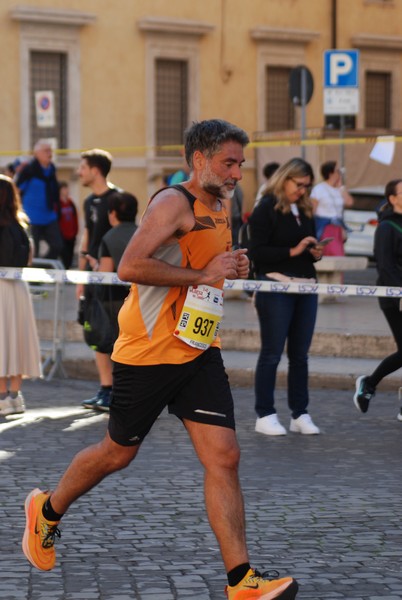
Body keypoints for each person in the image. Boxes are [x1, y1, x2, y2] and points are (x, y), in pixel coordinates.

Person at [22, 119, 299, 600]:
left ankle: (242, 582)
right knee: (117, 453)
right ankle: (47, 509)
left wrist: (231, 265)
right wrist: (202, 272)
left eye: (240, 163)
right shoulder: (174, 202)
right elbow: (131, 266)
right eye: (228, 162)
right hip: (148, 352)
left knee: (225, 458)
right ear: (198, 160)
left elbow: (207, 265)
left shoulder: (222, 203)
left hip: (198, 348)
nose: (237, 172)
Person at [248, 158, 322, 436]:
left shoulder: (304, 209)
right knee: (271, 353)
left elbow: (307, 244)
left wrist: (314, 251)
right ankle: (264, 413)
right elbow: (257, 251)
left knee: (300, 355)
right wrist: (293, 251)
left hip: (306, 286)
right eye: (299, 184)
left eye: (307, 186)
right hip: (276, 286)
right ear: (285, 178)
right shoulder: (265, 207)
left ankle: (300, 413)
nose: (302, 190)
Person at [76, 148, 122, 411]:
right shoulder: (88, 201)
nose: (79, 172)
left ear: (95, 170)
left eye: (83, 167)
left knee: (115, 335)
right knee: (97, 332)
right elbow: (87, 238)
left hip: (114, 282)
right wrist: (81, 276)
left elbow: (123, 239)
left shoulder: (117, 199)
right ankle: (105, 389)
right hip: (92, 279)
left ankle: (120, 390)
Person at [83, 190, 138, 412]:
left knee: (111, 346)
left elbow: (105, 272)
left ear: (112, 213)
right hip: (137, 298)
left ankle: (112, 393)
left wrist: (94, 265)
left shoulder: (109, 237)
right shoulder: (142, 233)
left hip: (112, 301)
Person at [354, 178, 402, 420]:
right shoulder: (387, 227)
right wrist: (399, 295)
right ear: (392, 199)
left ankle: (370, 385)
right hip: (394, 296)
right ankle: (369, 384)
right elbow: (385, 266)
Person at [0, 175, 42, 416]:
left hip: (1, 287)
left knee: (2, 342)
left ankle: (2, 397)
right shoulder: (22, 226)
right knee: (15, 341)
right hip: (19, 287)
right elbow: (29, 259)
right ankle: (15, 396)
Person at [15, 140, 63, 260]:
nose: (50, 153)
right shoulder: (28, 170)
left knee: (58, 246)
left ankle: (44, 266)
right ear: (37, 153)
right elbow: (16, 190)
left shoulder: (52, 170)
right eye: (46, 151)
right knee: (32, 251)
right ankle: (34, 276)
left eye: (50, 150)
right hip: (31, 218)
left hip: (49, 217)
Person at [310, 160, 353, 256]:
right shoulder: (319, 189)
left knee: (339, 254)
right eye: (338, 171)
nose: (340, 173)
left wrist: (341, 186)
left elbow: (349, 202)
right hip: (325, 226)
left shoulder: (339, 189)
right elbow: (313, 209)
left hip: (337, 225)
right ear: (331, 173)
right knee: (332, 253)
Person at [58, 182, 79, 269]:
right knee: (64, 256)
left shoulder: (71, 203)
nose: (66, 191)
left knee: (70, 257)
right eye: (64, 189)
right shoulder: (58, 204)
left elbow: (75, 217)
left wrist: (75, 231)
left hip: (71, 235)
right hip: (62, 235)